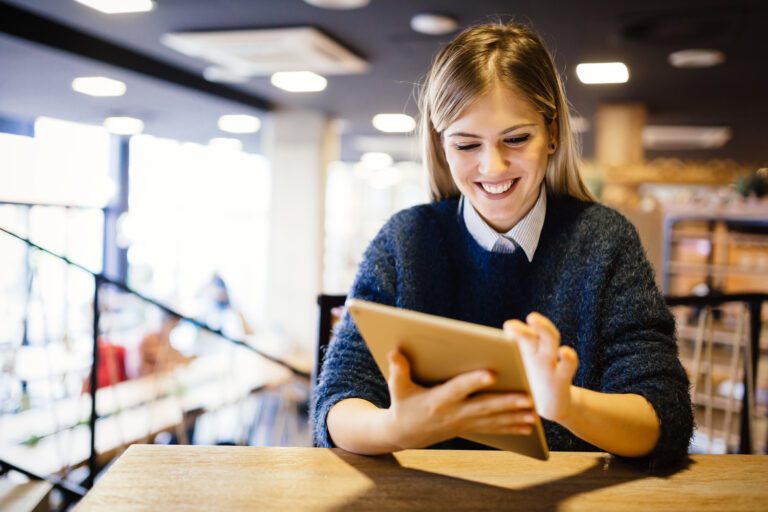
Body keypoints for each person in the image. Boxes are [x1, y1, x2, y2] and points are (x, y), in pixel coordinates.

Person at [311, 21, 693, 469]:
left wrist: (566, 404)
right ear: (440, 144)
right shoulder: (406, 240)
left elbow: (663, 417)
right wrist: (397, 427)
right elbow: (336, 402)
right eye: (467, 144)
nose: (492, 167)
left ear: (552, 133)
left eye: (516, 139)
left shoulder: (605, 241)